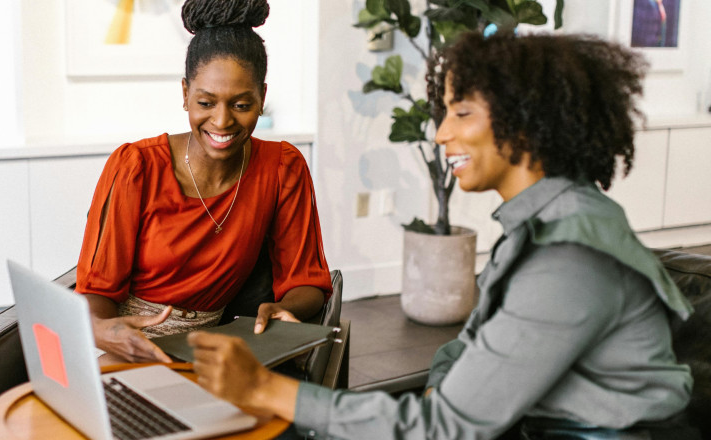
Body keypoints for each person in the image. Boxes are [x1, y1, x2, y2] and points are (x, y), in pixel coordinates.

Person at [187, 31, 702, 439]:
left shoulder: (568, 257)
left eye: (462, 112)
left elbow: (449, 429)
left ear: (525, 122)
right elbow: (467, 351)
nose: (440, 133)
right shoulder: (539, 227)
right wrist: (441, 387)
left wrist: (265, 389)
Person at [75, 0, 332, 365]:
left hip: (211, 344)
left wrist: (283, 308)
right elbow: (96, 289)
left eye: (242, 105)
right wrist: (101, 330)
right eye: (206, 102)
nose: (222, 121)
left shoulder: (283, 168)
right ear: (185, 94)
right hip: (128, 340)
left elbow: (307, 280)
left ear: (262, 97)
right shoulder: (136, 166)